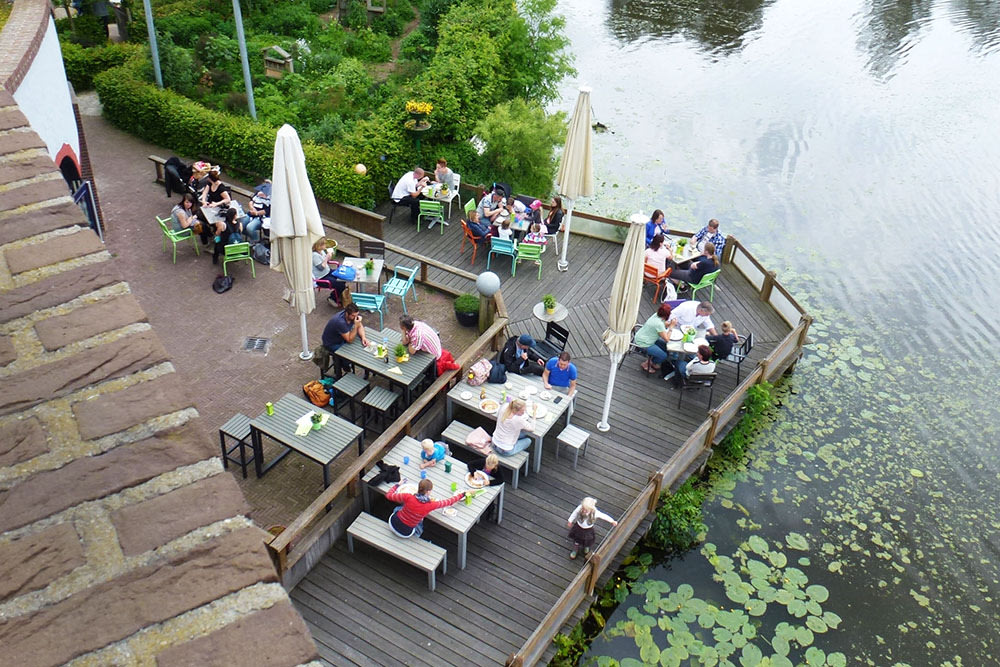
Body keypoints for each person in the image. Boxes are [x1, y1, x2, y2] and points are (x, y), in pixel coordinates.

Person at [386, 478, 464, 538]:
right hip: (406, 533)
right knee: (420, 524)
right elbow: (448, 502)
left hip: (392, 523)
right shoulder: (430, 505)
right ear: (428, 492)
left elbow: (388, 495)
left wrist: (397, 485)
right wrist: (462, 495)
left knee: (399, 508)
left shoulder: (408, 496)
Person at [634, 303, 676, 373]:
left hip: (644, 336)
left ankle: (652, 361)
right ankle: (647, 364)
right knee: (664, 355)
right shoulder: (659, 324)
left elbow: (663, 324)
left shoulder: (656, 315)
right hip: (644, 343)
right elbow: (667, 339)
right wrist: (671, 327)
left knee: (666, 348)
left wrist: (669, 324)